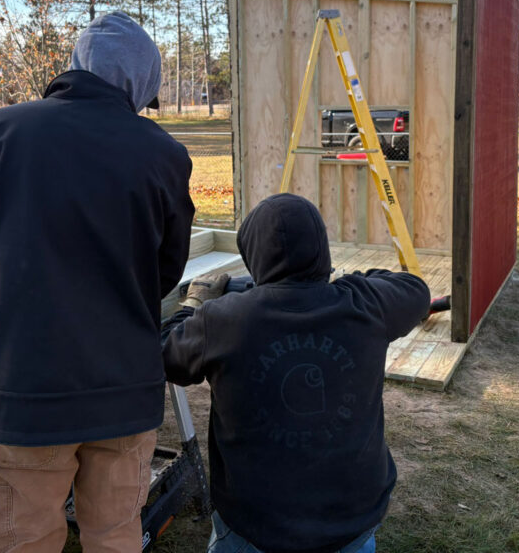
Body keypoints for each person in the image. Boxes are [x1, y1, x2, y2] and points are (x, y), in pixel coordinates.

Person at [0, 11, 195, 553]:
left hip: (18, 393)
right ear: (139, 84)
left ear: (76, 66)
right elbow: (164, 273)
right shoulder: (163, 154)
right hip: (122, 394)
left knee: (17, 542)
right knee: (116, 537)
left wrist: (3, 326)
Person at [162, 193, 432, 553]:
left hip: (255, 525)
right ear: (322, 249)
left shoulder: (223, 319)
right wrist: (337, 283)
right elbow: (415, 289)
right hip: (350, 521)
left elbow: (165, 354)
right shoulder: (365, 305)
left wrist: (196, 303)